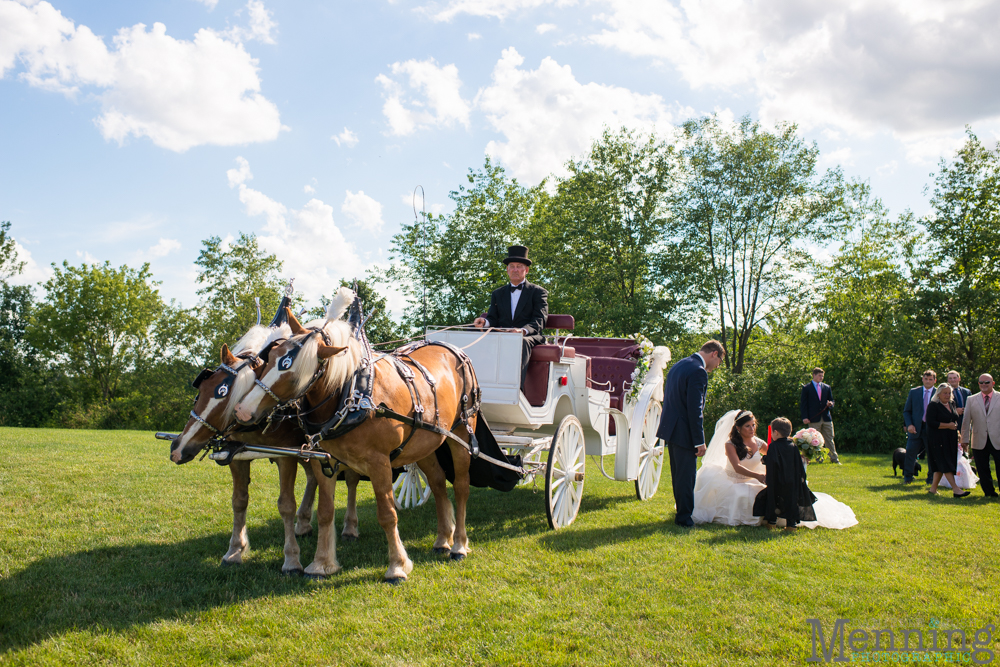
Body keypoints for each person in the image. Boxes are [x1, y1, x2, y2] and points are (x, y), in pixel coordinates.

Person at [657, 340, 725, 527]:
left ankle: (681, 512)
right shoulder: (698, 371)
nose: (717, 366)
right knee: (686, 477)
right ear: (714, 354)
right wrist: (699, 441)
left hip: (671, 428)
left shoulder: (679, 365)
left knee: (678, 475)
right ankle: (684, 518)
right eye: (719, 361)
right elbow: (696, 410)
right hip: (685, 431)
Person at [473, 245, 548, 387]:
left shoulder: (538, 292)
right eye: (511, 266)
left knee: (522, 342)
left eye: (519, 266)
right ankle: (478, 387)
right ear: (507, 270)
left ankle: (515, 389)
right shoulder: (498, 293)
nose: (515, 270)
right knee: (477, 338)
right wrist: (484, 322)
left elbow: (540, 320)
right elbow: (493, 318)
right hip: (504, 334)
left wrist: (522, 331)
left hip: (530, 337)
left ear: (526, 270)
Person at [692, 410, 767, 526]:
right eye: (747, 426)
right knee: (743, 494)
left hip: (752, 480)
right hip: (733, 481)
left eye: (753, 425)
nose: (752, 429)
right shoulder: (730, 444)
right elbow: (737, 467)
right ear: (738, 428)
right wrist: (757, 476)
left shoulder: (759, 443)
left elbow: (775, 455)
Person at [753, 417, 816, 532]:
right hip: (792, 481)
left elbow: (772, 464)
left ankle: (772, 522)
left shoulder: (773, 446)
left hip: (777, 481)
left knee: (774, 500)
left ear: (775, 432)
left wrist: (766, 464)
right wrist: (800, 479)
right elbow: (797, 463)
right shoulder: (793, 446)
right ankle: (791, 525)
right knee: (791, 502)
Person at [925, 384, 971, 497]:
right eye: (944, 393)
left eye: (949, 393)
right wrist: (948, 426)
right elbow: (931, 423)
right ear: (938, 394)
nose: (947, 395)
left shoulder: (952, 403)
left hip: (950, 438)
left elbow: (954, 418)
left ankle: (933, 489)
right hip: (937, 439)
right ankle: (956, 489)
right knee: (945, 463)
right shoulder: (933, 405)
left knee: (942, 464)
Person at [960, 374, 1000, 498]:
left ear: (993, 383)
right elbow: (966, 421)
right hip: (978, 439)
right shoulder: (971, 399)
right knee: (982, 468)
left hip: (998, 438)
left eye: (987, 382)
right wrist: (964, 440)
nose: (983, 385)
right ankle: (989, 492)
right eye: (981, 382)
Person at [902, 370, 937, 484]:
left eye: (930, 379)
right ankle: (908, 476)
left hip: (931, 428)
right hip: (916, 428)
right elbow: (907, 411)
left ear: (934, 381)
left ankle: (931, 478)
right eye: (926, 379)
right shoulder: (914, 392)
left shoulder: (939, 393)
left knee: (932, 455)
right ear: (922, 379)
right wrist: (909, 425)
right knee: (910, 453)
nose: (928, 381)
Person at [799, 367, 840, 464]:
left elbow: (832, 400)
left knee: (829, 438)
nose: (821, 378)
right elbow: (803, 404)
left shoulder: (827, 387)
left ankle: (834, 459)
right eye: (819, 376)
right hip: (813, 418)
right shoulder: (806, 388)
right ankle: (819, 458)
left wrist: (830, 404)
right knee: (815, 439)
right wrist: (805, 417)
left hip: (826, 417)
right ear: (814, 375)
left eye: (822, 376)